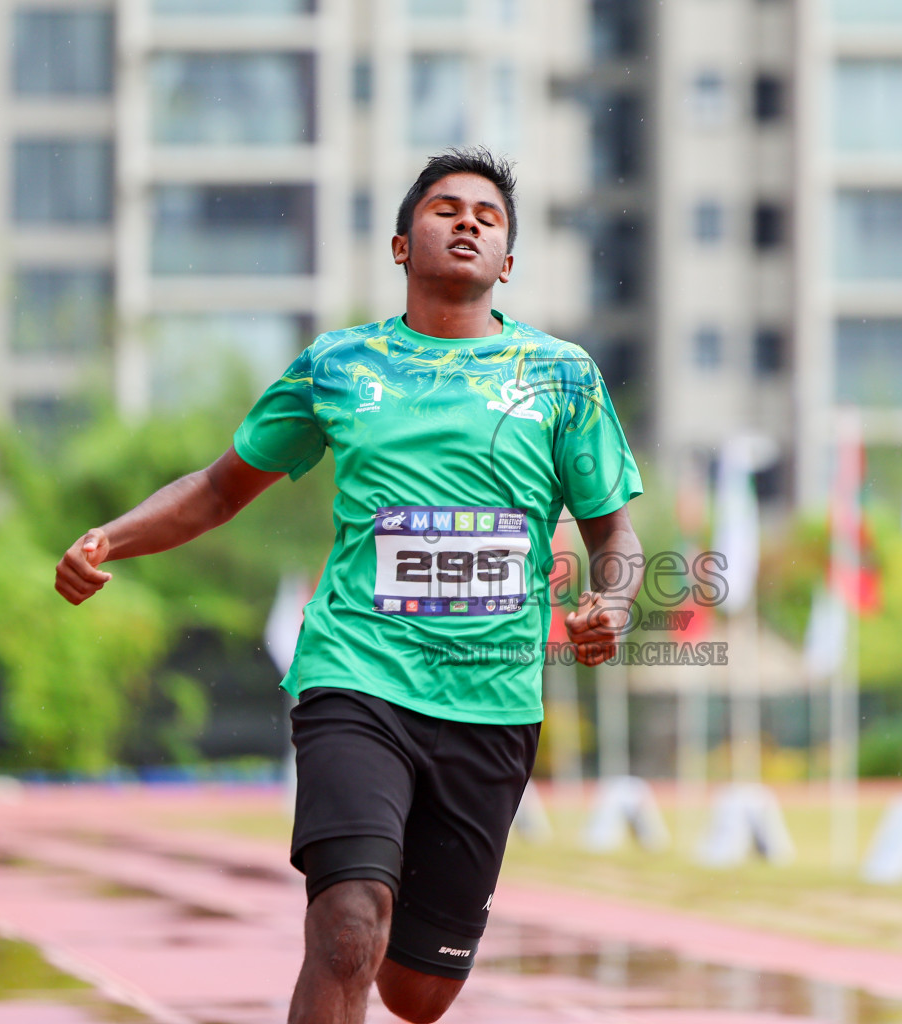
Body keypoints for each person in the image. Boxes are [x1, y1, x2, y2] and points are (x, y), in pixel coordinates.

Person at [54, 147, 644, 1024]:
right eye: (445, 208)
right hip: (355, 678)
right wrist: (113, 537)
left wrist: (617, 603)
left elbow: (614, 533)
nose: (468, 221)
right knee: (345, 929)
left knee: (418, 993)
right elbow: (220, 488)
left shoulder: (562, 376)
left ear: (509, 262)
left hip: (492, 704)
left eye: (488, 215)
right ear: (403, 245)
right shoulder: (339, 365)